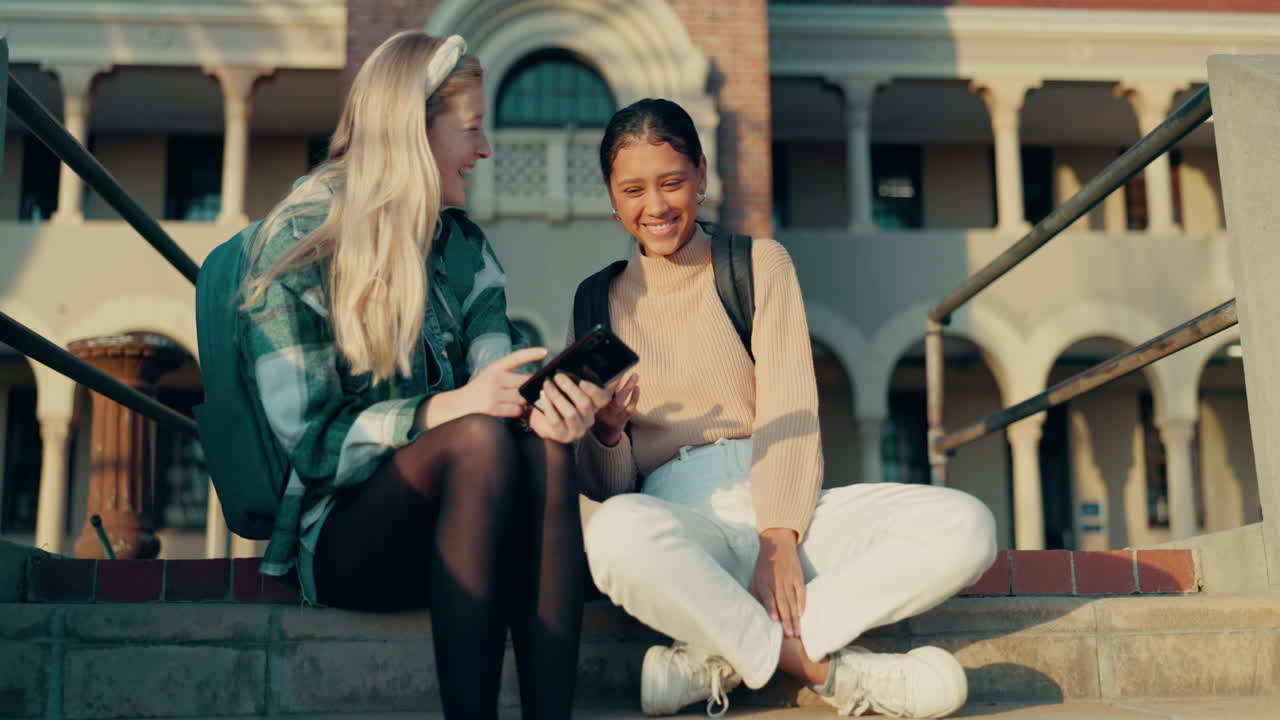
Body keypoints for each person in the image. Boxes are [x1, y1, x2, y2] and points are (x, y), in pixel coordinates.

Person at [577, 98, 998, 718]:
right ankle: (831, 673)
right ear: (613, 198)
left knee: (967, 526)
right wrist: (610, 436)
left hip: (786, 501)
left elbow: (790, 406)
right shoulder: (597, 299)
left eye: (671, 182)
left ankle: (720, 654)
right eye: (633, 189)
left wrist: (778, 537)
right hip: (683, 524)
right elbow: (608, 486)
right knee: (613, 537)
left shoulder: (757, 264)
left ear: (700, 175)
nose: (656, 206)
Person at [237, 31, 608, 720]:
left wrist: (544, 408)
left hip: (471, 523)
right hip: (347, 537)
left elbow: (491, 380)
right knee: (475, 439)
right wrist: (446, 411)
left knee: (545, 450)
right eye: (471, 129)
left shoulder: (465, 248)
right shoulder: (299, 242)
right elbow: (309, 446)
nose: (486, 150)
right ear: (412, 128)